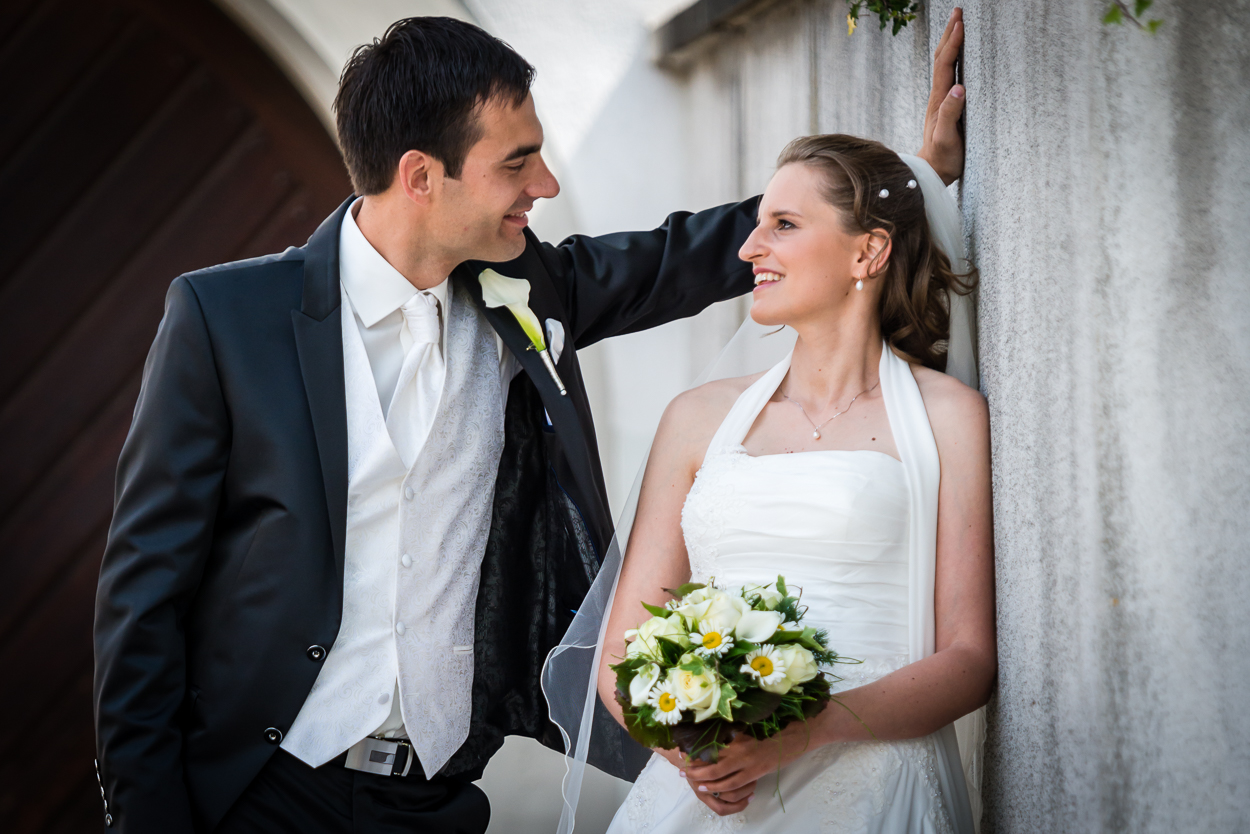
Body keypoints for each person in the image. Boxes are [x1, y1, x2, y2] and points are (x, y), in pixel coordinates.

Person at [92, 11, 969, 834]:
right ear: (421, 176)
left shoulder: (525, 290)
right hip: (259, 793)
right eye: (518, 163)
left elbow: (690, 255)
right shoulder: (226, 316)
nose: (545, 186)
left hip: (435, 799)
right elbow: (144, 594)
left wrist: (910, 181)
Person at [595, 130, 994, 834]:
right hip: (706, 800)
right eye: (756, 226)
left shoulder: (948, 418)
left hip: (873, 792)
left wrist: (806, 733)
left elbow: (968, 659)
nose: (750, 249)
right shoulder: (696, 419)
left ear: (868, 252)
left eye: (783, 225)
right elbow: (622, 651)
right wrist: (694, 754)